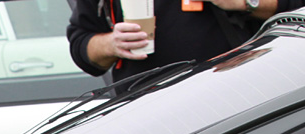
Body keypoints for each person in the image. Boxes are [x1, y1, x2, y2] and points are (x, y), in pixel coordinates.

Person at [67, 0, 302, 80]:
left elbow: (297, 10)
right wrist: (111, 44)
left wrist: (247, 3)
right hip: (145, 114)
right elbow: (82, 47)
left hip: (239, 102)